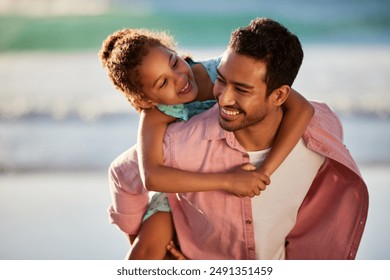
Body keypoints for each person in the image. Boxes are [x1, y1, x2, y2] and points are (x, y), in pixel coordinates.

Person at [107, 18, 368, 259]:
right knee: (147, 251)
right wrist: (229, 181)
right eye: (162, 83)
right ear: (146, 100)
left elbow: (300, 108)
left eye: (174, 62)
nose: (179, 79)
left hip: (222, 161)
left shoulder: (222, 70)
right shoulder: (157, 118)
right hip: (178, 181)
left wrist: (265, 171)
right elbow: (148, 176)